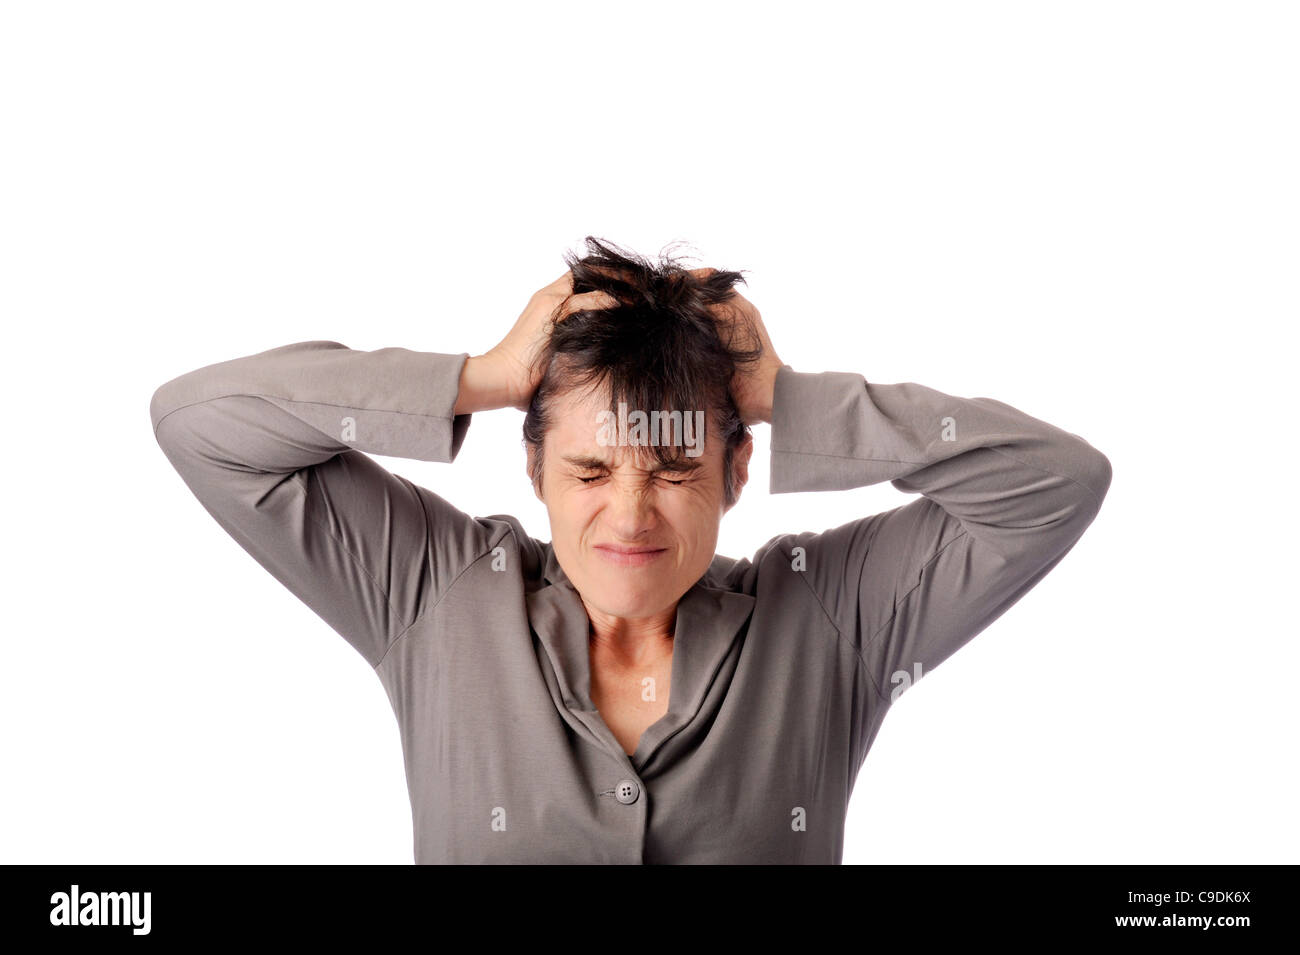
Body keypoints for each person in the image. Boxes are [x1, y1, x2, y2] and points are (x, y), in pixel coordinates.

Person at [149, 236, 1112, 863]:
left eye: (675, 468)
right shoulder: (434, 592)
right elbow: (201, 422)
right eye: (590, 471)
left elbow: (1053, 483)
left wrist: (786, 396)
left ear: (738, 471)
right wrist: (479, 378)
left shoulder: (829, 617)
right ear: (533, 472)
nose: (631, 514)